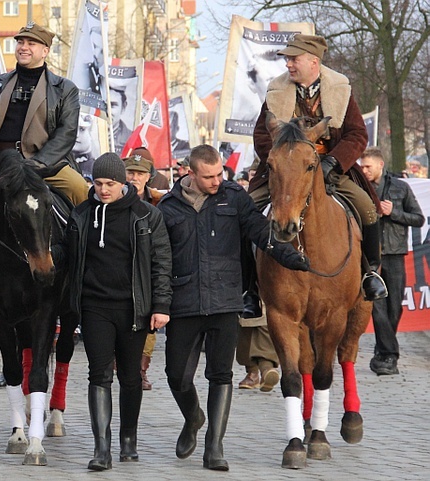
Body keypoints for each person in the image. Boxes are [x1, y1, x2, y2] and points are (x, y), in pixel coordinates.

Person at [157, 145, 310, 471]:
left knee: (220, 375)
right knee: (176, 377)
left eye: (220, 173)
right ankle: (193, 416)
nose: (217, 180)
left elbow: (263, 234)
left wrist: (292, 258)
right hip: (183, 303)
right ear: (191, 173)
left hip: (226, 301)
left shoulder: (234, 198)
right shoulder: (168, 207)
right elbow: (158, 259)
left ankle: (214, 446)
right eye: (209, 176)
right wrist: (158, 303)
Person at [0, 22, 89, 300]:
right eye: (20, 42)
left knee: (84, 196)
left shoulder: (65, 89)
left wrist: (35, 166)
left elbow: (66, 134)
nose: (24, 47)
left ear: (45, 51)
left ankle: (83, 272)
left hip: (45, 166)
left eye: (31, 43)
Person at [249, 33, 387, 312]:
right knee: (246, 213)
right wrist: (283, 163)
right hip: (286, 172)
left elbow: (357, 135)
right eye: (287, 59)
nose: (288, 64)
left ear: (313, 62)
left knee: (368, 209)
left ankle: (370, 274)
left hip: (332, 170)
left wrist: (333, 162)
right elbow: (262, 134)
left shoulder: (341, 91)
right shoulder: (275, 92)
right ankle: (249, 288)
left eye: (293, 59)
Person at [57, 153, 171, 470]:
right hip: (94, 306)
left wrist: (161, 306)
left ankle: (128, 440)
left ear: (123, 183)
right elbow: (67, 259)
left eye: (111, 183)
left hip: (134, 307)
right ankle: (101, 448)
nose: (104, 189)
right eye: (98, 183)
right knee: (99, 373)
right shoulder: (80, 215)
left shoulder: (146, 216)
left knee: (131, 376)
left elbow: (161, 264)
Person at [360, 148, 425, 375]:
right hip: (370, 257)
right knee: (376, 307)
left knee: (394, 308)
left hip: (396, 254)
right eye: (362, 166)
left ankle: (382, 351)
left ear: (380, 164)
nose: (364, 170)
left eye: (368, 166)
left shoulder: (401, 187)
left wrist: (394, 211)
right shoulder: (360, 188)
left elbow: (418, 219)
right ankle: (389, 356)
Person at [123, 148, 165, 391]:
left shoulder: (159, 201)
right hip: (120, 271)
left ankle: (141, 370)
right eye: (130, 172)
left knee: (148, 324)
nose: (134, 178)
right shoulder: (113, 198)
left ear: (149, 176)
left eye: (140, 173)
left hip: (147, 272)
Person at [73, 113, 100, 179]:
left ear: (90, 133)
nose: (77, 135)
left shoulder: (95, 167)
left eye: (82, 129)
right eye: (74, 129)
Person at [110, 84, 131, 154]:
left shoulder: (131, 139)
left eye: (112, 105)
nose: (107, 111)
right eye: (102, 104)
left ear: (123, 107)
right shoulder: (82, 136)